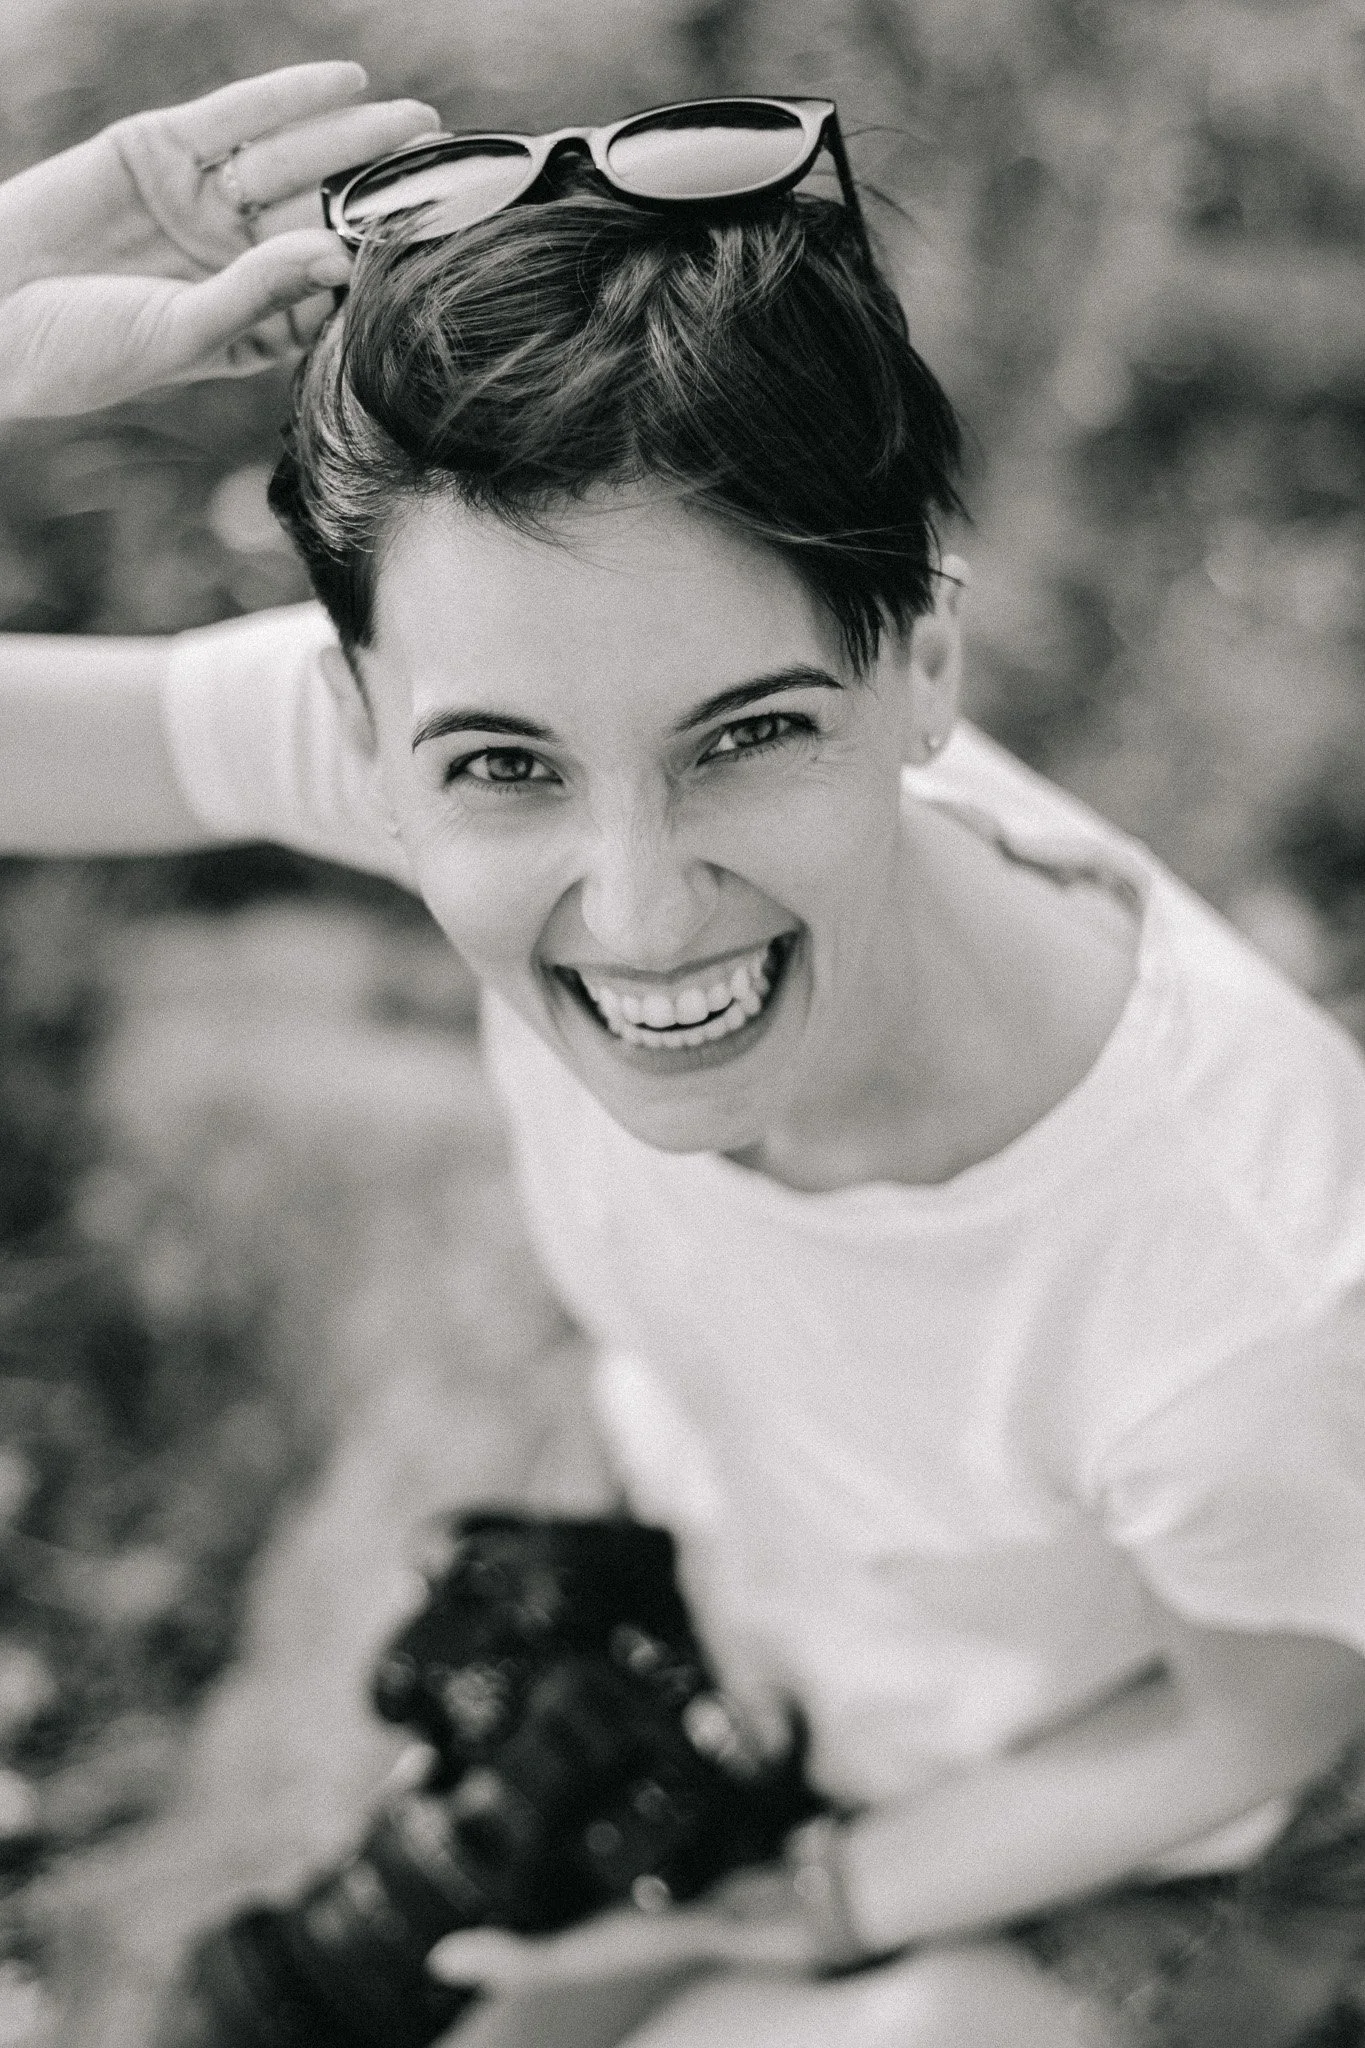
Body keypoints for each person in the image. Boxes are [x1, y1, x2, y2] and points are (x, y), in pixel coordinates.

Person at [5, 67, 1365, 2048]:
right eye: (503, 771)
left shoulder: (1239, 1280)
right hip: (763, 1668)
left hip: (1164, 1847)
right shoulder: (444, 725)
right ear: (367, 738)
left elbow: (1259, 1724)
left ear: (924, 663)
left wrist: (801, 1917)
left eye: (748, 737)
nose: (640, 912)